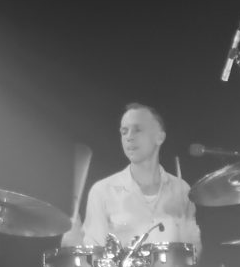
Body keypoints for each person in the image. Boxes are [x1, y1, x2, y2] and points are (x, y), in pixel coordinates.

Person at [64, 103, 202, 256]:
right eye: (124, 132)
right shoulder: (102, 191)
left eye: (137, 130)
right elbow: (94, 253)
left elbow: (194, 251)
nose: (129, 137)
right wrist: (74, 243)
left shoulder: (181, 189)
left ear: (159, 137)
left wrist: (185, 231)